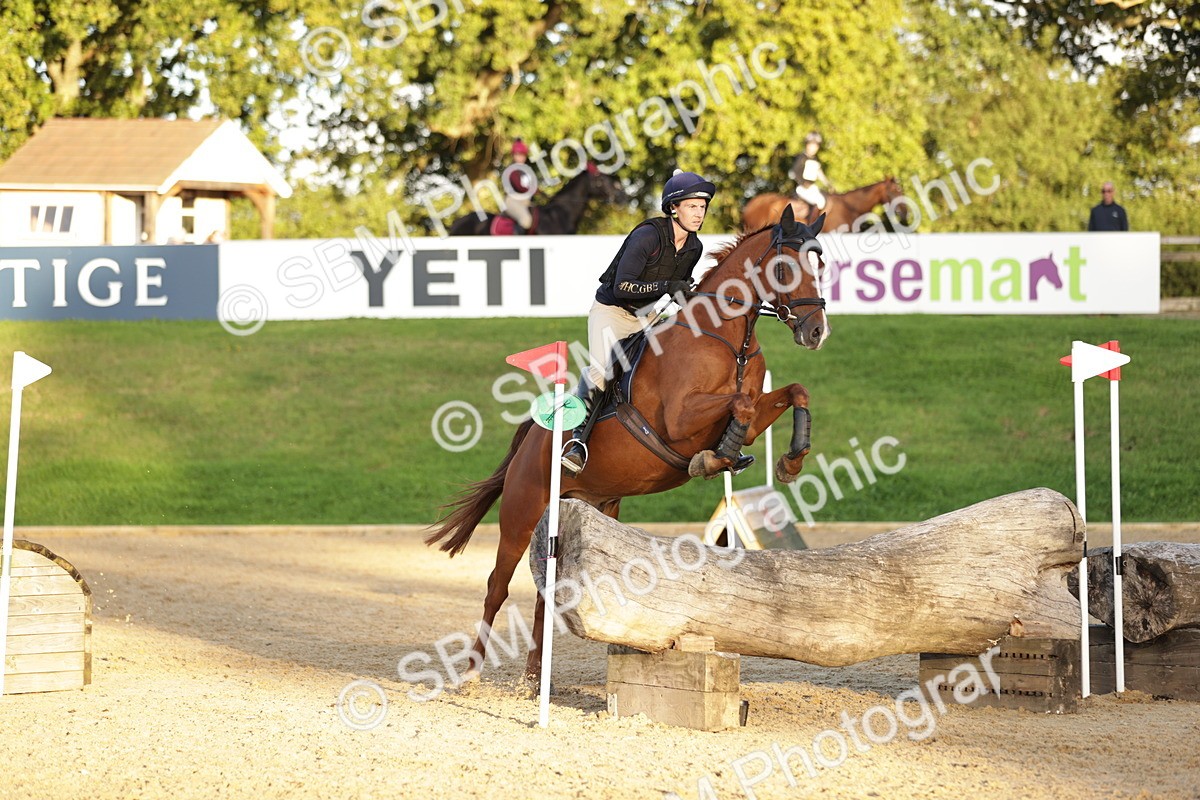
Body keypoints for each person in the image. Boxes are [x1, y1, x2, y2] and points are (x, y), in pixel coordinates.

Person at [560, 170, 753, 477]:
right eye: (692, 206)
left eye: (702, 207)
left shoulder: (694, 247)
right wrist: (667, 285)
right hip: (613, 313)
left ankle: (722, 442)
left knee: (681, 362)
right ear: (673, 207)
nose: (698, 213)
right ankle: (576, 442)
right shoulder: (647, 236)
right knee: (602, 371)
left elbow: (677, 290)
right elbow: (624, 286)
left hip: (649, 316)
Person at [789, 131, 834, 220]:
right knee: (819, 202)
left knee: (825, 199)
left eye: (816, 146)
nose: (814, 148)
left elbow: (820, 174)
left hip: (812, 187)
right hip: (802, 188)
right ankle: (811, 223)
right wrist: (803, 183)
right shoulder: (802, 157)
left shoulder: (815, 159)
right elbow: (794, 172)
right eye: (812, 145)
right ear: (807, 145)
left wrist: (828, 185)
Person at [502, 139, 535, 235]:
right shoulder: (512, 170)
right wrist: (534, 190)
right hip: (512, 200)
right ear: (513, 156)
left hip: (526, 201)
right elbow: (519, 186)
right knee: (526, 220)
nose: (520, 158)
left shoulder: (527, 171)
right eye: (518, 155)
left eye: (522, 155)